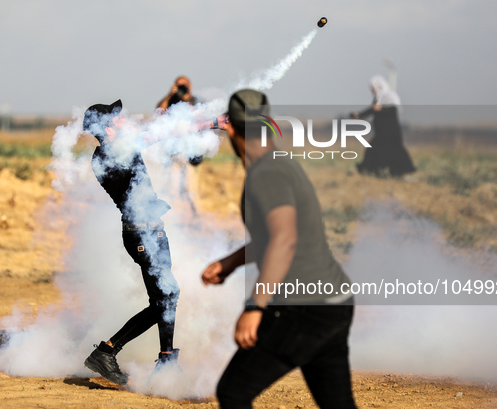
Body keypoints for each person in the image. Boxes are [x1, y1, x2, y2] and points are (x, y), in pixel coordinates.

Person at [201, 90, 358, 408]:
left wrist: (255, 307)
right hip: (333, 303)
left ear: (230, 127)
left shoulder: (267, 173)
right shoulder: (276, 164)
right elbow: (275, 238)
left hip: (304, 309)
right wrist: (231, 262)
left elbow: (285, 240)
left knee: (234, 392)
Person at [81, 99, 226, 385]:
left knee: (165, 297)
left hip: (153, 231)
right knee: (166, 296)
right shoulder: (110, 154)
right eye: (116, 119)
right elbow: (161, 133)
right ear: (106, 128)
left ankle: (165, 358)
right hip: (140, 235)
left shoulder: (118, 147)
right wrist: (212, 123)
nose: (123, 121)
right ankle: (110, 351)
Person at [350, 75, 416, 177]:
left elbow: (392, 109)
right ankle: (372, 172)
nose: (371, 90)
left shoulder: (389, 96)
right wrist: (358, 115)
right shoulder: (378, 98)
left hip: (390, 132)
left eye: (372, 87)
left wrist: (381, 110)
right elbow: (372, 110)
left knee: (391, 151)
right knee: (377, 152)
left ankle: (402, 173)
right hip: (381, 132)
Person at [156, 75, 202, 214]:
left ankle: (197, 218)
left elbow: (200, 118)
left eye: (184, 85)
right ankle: (176, 218)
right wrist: (170, 94)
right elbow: (159, 112)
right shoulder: (170, 100)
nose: (182, 88)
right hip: (174, 153)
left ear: (190, 86)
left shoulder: (195, 101)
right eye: (179, 85)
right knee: (173, 188)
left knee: (192, 188)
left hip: (191, 154)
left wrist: (187, 98)